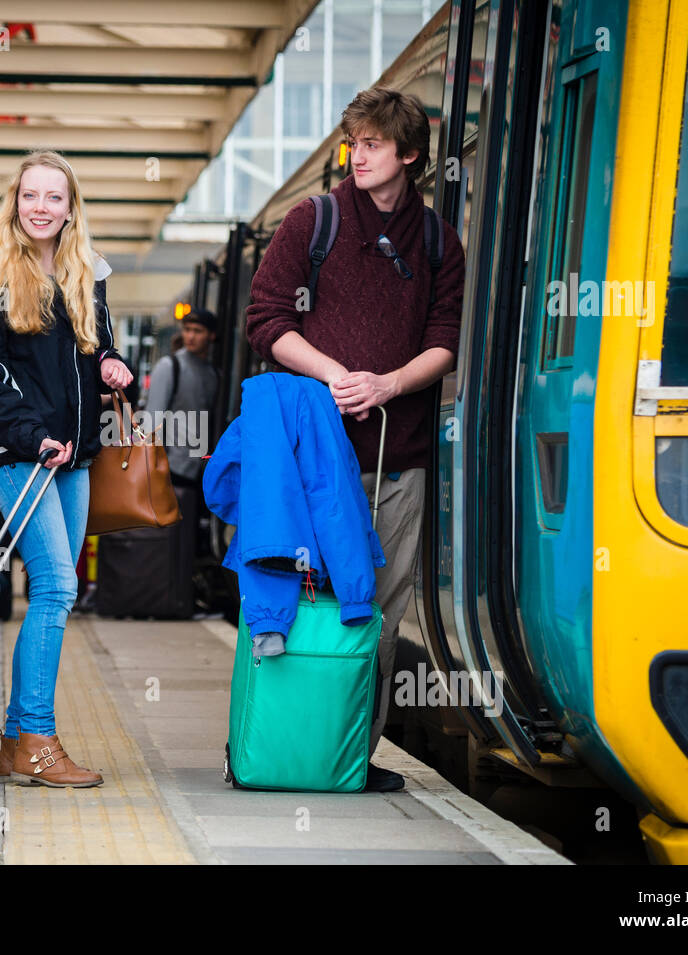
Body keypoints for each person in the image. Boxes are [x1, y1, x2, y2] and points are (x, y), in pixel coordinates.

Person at [245, 86, 464, 792]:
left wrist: (390, 384)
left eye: (372, 144)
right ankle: (271, 744)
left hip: (400, 461)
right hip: (314, 459)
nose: (358, 154)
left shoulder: (437, 241)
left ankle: (347, 757)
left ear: (408, 154)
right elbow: (267, 320)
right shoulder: (314, 221)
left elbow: (445, 342)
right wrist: (338, 374)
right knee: (294, 595)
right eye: (353, 142)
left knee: (380, 609)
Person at [0, 149, 133, 788]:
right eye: (30, 195)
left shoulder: (88, 271)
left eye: (53, 197)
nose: (41, 207)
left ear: (70, 208)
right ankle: (37, 739)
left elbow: (98, 344)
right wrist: (34, 437)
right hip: (17, 457)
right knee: (58, 587)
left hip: (76, 456)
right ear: (15, 201)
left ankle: (12, 741)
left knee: (59, 588)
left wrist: (112, 362)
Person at [144, 309, 218, 489]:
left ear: (211, 335)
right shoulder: (169, 366)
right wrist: (151, 466)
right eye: (187, 329)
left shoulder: (214, 373)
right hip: (169, 468)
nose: (190, 336)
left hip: (199, 469)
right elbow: (152, 420)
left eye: (198, 331)